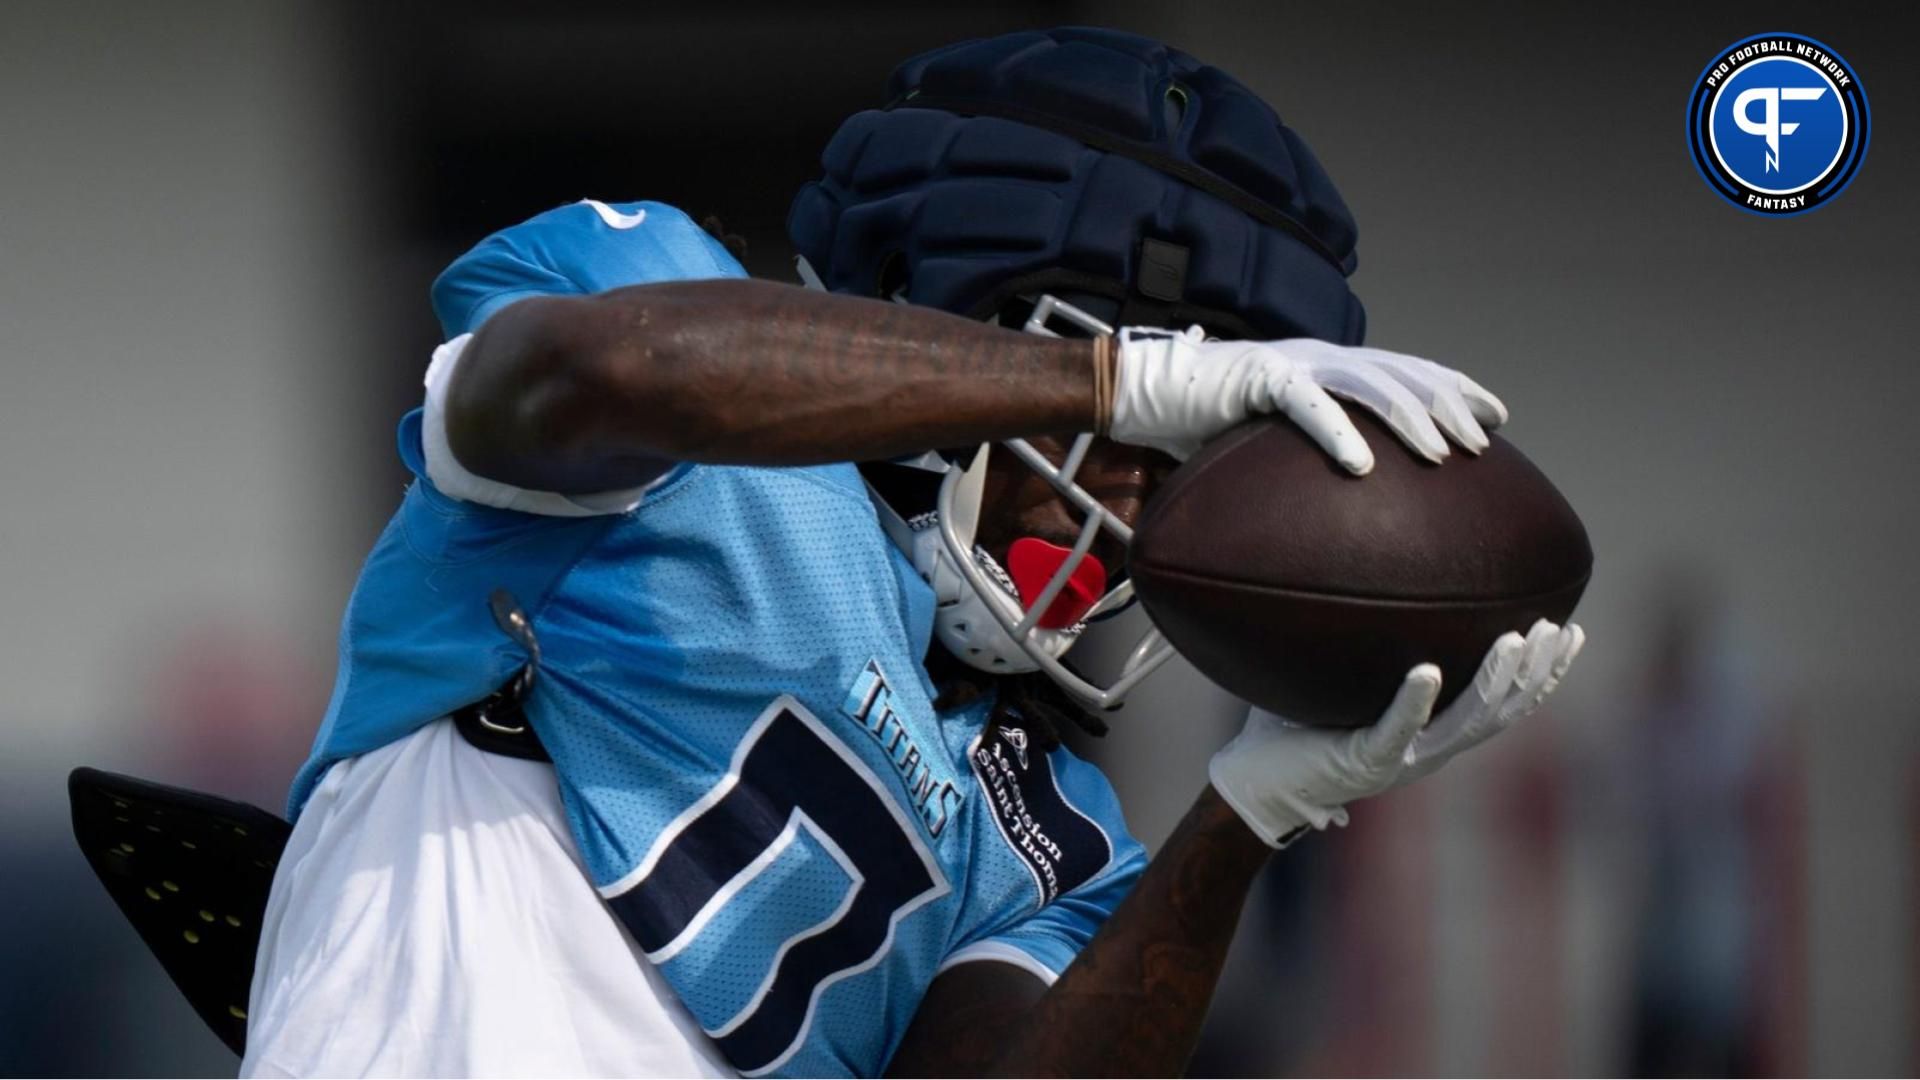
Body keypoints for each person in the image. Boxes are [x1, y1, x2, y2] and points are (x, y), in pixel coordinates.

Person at [241, 27, 1582, 1078]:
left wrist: (1246, 824)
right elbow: (611, 370)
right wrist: (1102, 382)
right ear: (956, 309)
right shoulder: (654, 373)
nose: (1128, 505)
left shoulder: (1057, 842)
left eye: (1178, 469)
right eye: (1134, 435)